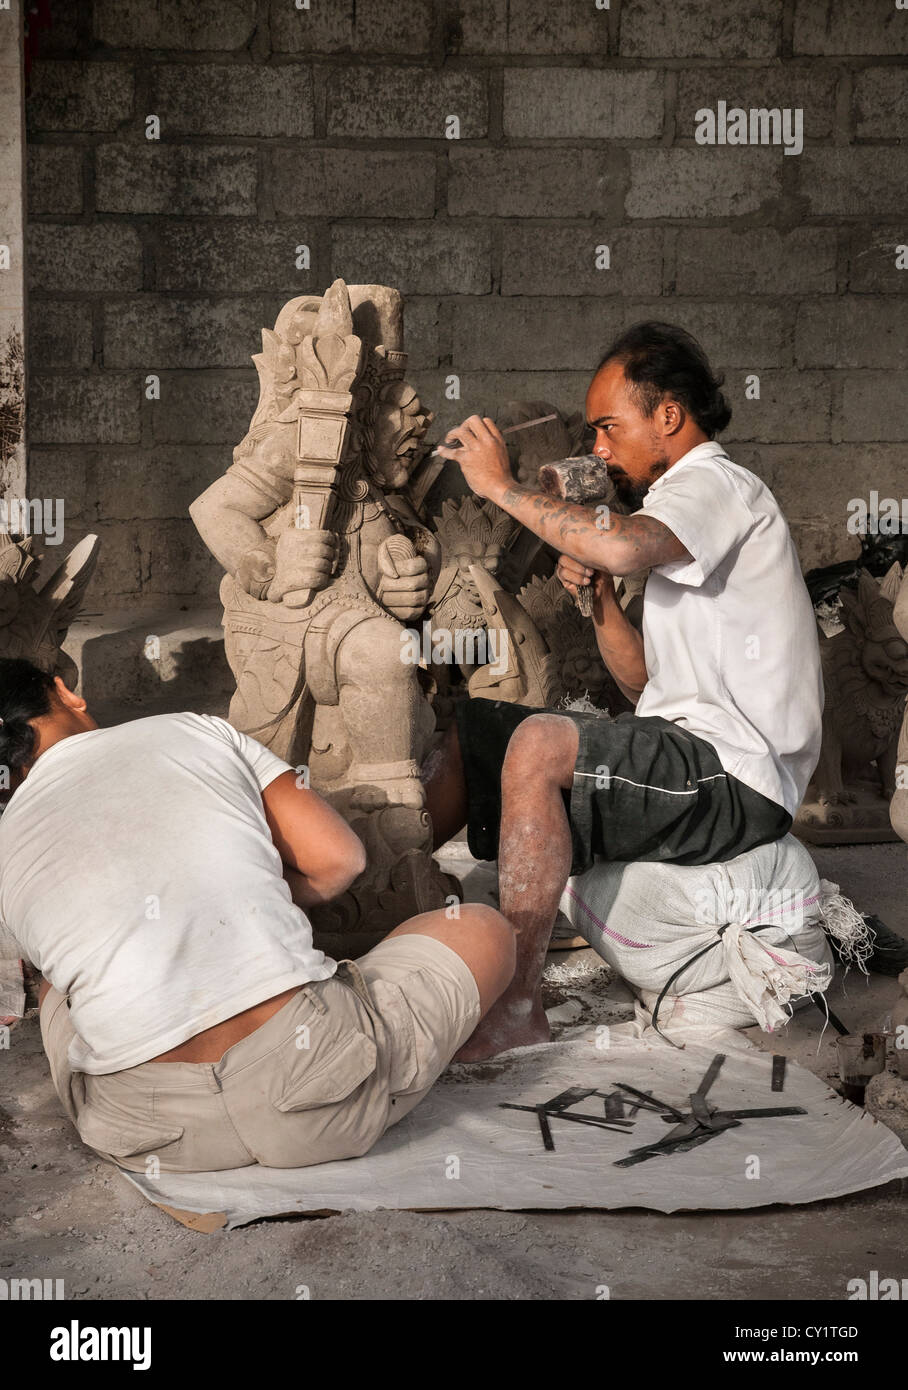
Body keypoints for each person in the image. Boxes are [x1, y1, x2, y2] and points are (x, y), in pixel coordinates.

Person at [427, 320, 826, 1060]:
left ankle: (517, 1004)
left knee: (542, 744)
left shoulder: (716, 483)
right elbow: (646, 688)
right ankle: (386, 901)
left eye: (610, 428)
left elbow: (619, 539)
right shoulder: (683, 514)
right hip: (690, 754)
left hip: (739, 778)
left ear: (669, 416)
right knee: (477, 731)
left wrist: (500, 487)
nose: (600, 449)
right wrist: (604, 600)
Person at [0, 658, 514, 1173]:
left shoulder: (5, 844)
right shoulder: (189, 730)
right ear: (67, 694)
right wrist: (249, 894)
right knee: (481, 929)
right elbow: (340, 859)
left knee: (56, 987)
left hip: (149, 1134)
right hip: (314, 1096)